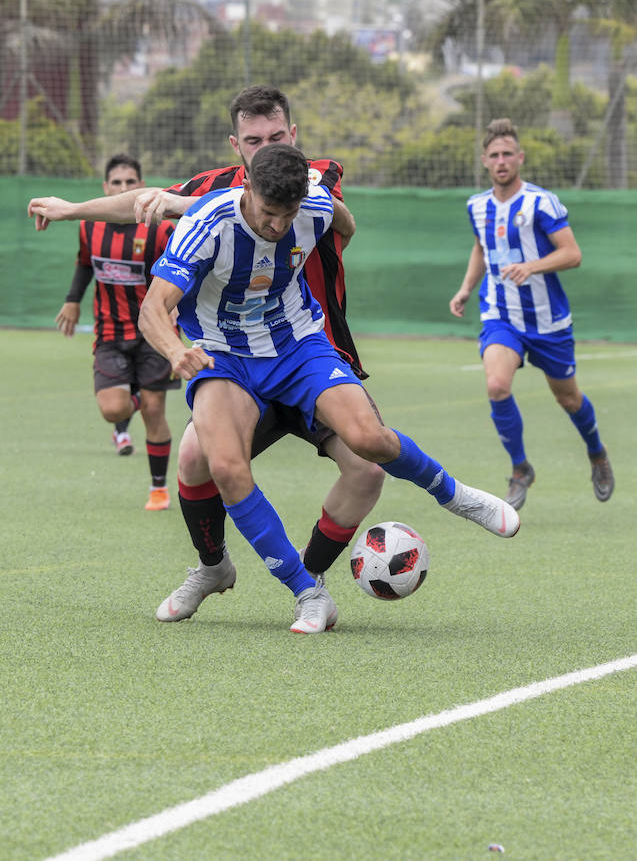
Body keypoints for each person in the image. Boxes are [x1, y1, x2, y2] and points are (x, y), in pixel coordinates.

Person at [29, 85, 385, 630]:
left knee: (367, 468)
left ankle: (306, 583)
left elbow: (312, 213)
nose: (265, 146)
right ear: (235, 143)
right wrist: (72, 209)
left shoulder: (314, 176)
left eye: (275, 136)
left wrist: (180, 204)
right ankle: (212, 566)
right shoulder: (213, 189)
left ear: (293, 135)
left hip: (311, 353)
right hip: (240, 363)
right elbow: (140, 202)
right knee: (195, 458)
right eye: (252, 139)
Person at [139, 142, 520, 635]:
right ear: (248, 188)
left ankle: (458, 496)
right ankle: (307, 593)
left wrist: (320, 211)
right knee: (226, 468)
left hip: (297, 344)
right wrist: (175, 351)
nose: (278, 226)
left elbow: (346, 224)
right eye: (269, 213)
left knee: (370, 440)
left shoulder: (312, 205)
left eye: (288, 214)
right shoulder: (207, 225)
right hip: (224, 355)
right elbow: (153, 308)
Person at [449, 118, 614, 510]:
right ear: (485, 162)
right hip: (500, 315)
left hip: (548, 321)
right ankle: (520, 469)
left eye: (508, 154)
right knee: (496, 386)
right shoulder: (477, 206)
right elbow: (481, 248)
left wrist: (532, 266)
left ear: (520, 158)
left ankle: (596, 452)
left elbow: (572, 254)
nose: (502, 160)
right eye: (494, 155)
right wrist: (466, 288)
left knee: (569, 398)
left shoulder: (542, 202)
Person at [50, 153, 181, 510]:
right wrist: (73, 300)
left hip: (154, 331)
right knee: (113, 408)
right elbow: (83, 263)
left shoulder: (161, 228)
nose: (124, 187)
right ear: (106, 188)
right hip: (109, 331)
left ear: (142, 186)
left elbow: (180, 272)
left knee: (155, 409)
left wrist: (180, 307)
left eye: (130, 182)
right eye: (117, 183)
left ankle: (158, 488)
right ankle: (128, 405)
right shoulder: (89, 226)